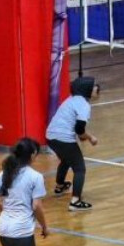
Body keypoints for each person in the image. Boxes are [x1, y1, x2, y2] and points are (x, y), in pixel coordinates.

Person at [45, 76, 99, 211]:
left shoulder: (71, 100)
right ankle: (75, 201)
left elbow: (78, 131)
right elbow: (79, 130)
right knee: (80, 168)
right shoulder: (84, 105)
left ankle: (60, 186)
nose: (97, 88)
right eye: (94, 86)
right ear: (86, 89)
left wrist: (83, 136)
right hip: (63, 138)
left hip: (50, 137)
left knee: (66, 159)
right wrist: (90, 138)